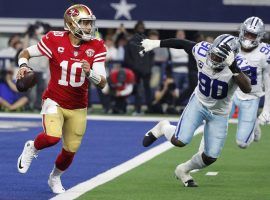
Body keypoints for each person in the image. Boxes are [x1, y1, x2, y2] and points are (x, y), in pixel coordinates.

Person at [136, 34, 251, 187]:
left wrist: (234, 68)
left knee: (210, 157)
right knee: (180, 141)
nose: (214, 59)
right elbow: (182, 43)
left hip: (220, 113)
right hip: (199, 103)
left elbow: (247, 88)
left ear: (231, 57)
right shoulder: (203, 51)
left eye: (219, 57)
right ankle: (163, 127)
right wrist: (156, 43)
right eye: (213, 54)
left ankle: (183, 170)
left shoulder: (239, 65)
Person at [16, 4, 107, 194]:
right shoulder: (53, 39)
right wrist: (23, 65)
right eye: (84, 23)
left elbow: (102, 83)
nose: (89, 28)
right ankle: (32, 147)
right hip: (54, 100)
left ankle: (55, 177)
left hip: (78, 105)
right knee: (51, 137)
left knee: (70, 151)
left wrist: (89, 73)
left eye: (90, 23)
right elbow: (25, 53)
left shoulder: (97, 46)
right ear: (71, 24)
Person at [230, 17, 270, 147]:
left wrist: (267, 109)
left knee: (242, 144)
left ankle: (254, 123)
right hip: (231, 93)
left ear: (259, 37)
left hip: (251, 97)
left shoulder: (265, 53)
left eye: (252, 35)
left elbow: (269, 82)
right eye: (246, 33)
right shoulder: (232, 45)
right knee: (213, 120)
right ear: (241, 32)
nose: (248, 37)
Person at [124, 21, 154, 115]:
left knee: (147, 90)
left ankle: (150, 109)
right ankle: (137, 109)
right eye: (139, 27)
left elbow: (152, 55)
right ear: (135, 28)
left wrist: (149, 67)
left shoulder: (148, 41)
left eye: (142, 27)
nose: (141, 28)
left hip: (146, 70)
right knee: (136, 89)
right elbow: (127, 57)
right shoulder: (131, 41)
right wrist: (134, 67)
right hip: (135, 71)